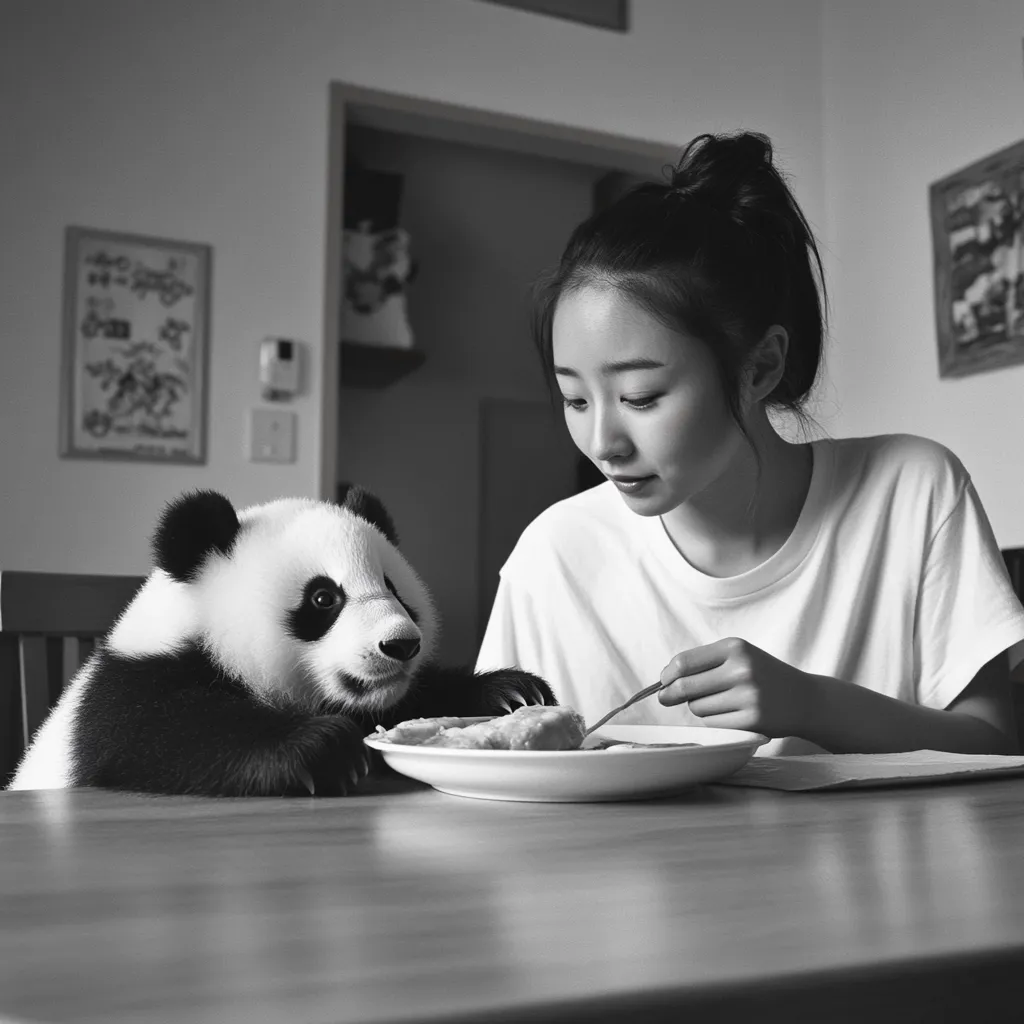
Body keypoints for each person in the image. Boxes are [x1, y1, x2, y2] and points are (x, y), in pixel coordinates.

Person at [476, 130, 1024, 756]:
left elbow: (995, 743)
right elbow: (491, 760)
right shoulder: (555, 555)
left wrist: (813, 705)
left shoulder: (912, 490)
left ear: (759, 368)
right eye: (576, 399)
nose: (602, 443)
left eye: (641, 398)